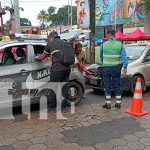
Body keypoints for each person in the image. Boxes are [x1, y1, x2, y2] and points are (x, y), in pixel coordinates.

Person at [38, 31, 71, 111]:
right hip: (67, 68)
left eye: (49, 39)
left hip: (57, 69)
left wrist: (37, 58)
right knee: (64, 87)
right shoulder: (64, 42)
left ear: (51, 37)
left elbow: (43, 56)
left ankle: (52, 106)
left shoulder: (50, 44)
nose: (49, 40)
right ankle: (62, 107)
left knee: (53, 87)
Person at [100, 29, 128, 109]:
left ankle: (108, 104)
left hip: (106, 68)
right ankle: (118, 103)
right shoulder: (120, 44)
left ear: (108, 35)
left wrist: (104, 61)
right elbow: (124, 58)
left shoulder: (103, 45)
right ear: (114, 35)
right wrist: (125, 68)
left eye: (106, 34)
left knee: (107, 86)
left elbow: (101, 57)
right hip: (116, 68)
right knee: (117, 85)